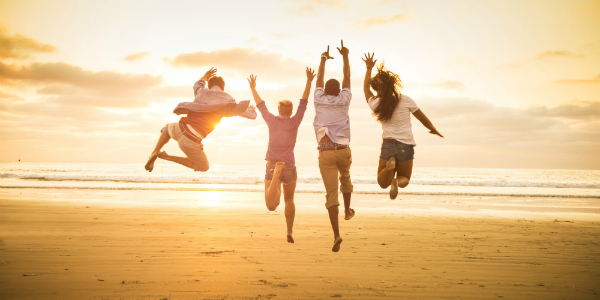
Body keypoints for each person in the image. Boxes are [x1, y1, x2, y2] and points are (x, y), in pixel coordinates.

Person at [361, 53, 443, 199]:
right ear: (392, 85)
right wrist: (433, 129)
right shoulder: (405, 100)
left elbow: (366, 91)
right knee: (405, 178)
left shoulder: (376, 104)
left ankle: (389, 168)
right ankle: (396, 182)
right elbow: (423, 119)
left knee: (382, 182)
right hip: (405, 145)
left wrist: (368, 68)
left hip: (387, 144)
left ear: (377, 88)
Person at [247, 68, 315, 243]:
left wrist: (253, 87)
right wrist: (309, 81)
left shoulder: (272, 120)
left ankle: (276, 175)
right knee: (289, 199)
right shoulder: (295, 121)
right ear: (291, 111)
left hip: (272, 165)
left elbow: (260, 105)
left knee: (271, 206)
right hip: (290, 166)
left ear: (278, 110)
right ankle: (289, 231)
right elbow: (304, 102)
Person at [145, 67, 257, 172]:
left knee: (167, 127)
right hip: (191, 140)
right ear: (223, 88)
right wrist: (251, 109)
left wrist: (205, 76)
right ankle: (166, 157)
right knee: (203, 167)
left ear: (209, 86)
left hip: (180, 128)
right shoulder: (227, 101)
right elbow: (251, 116)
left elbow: (197, 85)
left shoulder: (202, 92)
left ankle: (154, 152)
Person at [314, 40, 355, 252]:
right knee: (345, 177)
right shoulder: (344, 99)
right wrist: (345, 56)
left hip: (326, 152)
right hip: (344, 151)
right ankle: (348, 210)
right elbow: (347, 77)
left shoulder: (318, 99)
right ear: (339, 91)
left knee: (331, 193)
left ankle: (337, 234)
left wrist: (323, 59)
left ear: (324, 91)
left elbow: (319, 79)